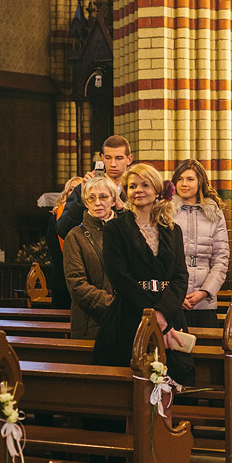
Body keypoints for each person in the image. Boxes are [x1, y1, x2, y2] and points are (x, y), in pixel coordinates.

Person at [92, 163, 195, 386]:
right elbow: (120, 278)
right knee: (132, 382)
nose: (138, 190)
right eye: (132, 186)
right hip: (131, 313)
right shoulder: (115, 229)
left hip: (169, 312)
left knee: (175, 376)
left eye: (145, 185)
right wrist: (152, 314)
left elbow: (180, 276)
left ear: (158, 190)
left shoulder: (172, 230)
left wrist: (163, 313)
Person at [172, 159, 229, 328]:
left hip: (204, 301)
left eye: (190, 179)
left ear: (200, 182)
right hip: (174, 298)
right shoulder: (166, 212)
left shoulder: (214, 213)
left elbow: (221, 258)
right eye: (180, 179)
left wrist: (204, 292)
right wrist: (174, 294)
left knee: (207, 351)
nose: (184, 184)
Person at [63, 176, 117, 338]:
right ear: (86, 203)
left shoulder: (125, 232)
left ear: (113, 201)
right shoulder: (75, 236)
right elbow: (77, 284)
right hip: (91, 323)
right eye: (91, 198)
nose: (97, 202)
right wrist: (114, 304)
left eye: (103, 197)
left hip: (125, 320)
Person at [57, 135, 133, 238]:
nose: (113, 164)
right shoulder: (85, 187)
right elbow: (63, 229)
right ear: (102, 158)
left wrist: (121, 206)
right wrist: (82, 198)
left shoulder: (136, 189)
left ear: (129, 159)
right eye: (108, 158)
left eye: (119, 158)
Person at [46, 176, 83, 310]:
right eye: (71, 190)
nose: (74, 193)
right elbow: (54, 250)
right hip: (61, 277)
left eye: (77, 190)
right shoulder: (56, 217)